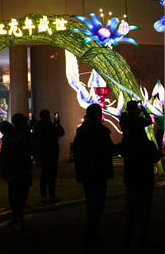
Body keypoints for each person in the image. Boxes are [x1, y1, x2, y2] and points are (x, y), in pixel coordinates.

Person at [73, 103, 117, 252]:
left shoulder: (82, 131)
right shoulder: (101, 131)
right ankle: (90, 236)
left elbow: (77, 153)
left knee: (92, 203)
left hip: (87, 172)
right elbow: (110, 149)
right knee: (97, 204)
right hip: (99, 171)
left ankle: (92, 235)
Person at [118, 104, 161, 252]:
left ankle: (127, 240)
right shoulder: (146, 143)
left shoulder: (127, 141)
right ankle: (143, 239)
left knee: (131, 211)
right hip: (145, 180)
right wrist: (144, 111)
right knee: (145, 211)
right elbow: (156, 156)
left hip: (131, 179)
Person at [0, 115, 32, 231]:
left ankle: (17, 218)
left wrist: (4, 171)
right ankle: (19, 218)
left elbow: (5, 159)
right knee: (21, 196)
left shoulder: (8, 143)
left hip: (13, 174)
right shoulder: (20, 138)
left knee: (14, 197)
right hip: (23, 172)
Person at [34, 109, 65, 203]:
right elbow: (61, 133)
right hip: (51, 152)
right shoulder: (51, 126)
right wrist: (57, 124)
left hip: (43, 152)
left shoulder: (38, 126)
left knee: (44, 174)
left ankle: (43, 195)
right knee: (51, 175)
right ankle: (51, 195)